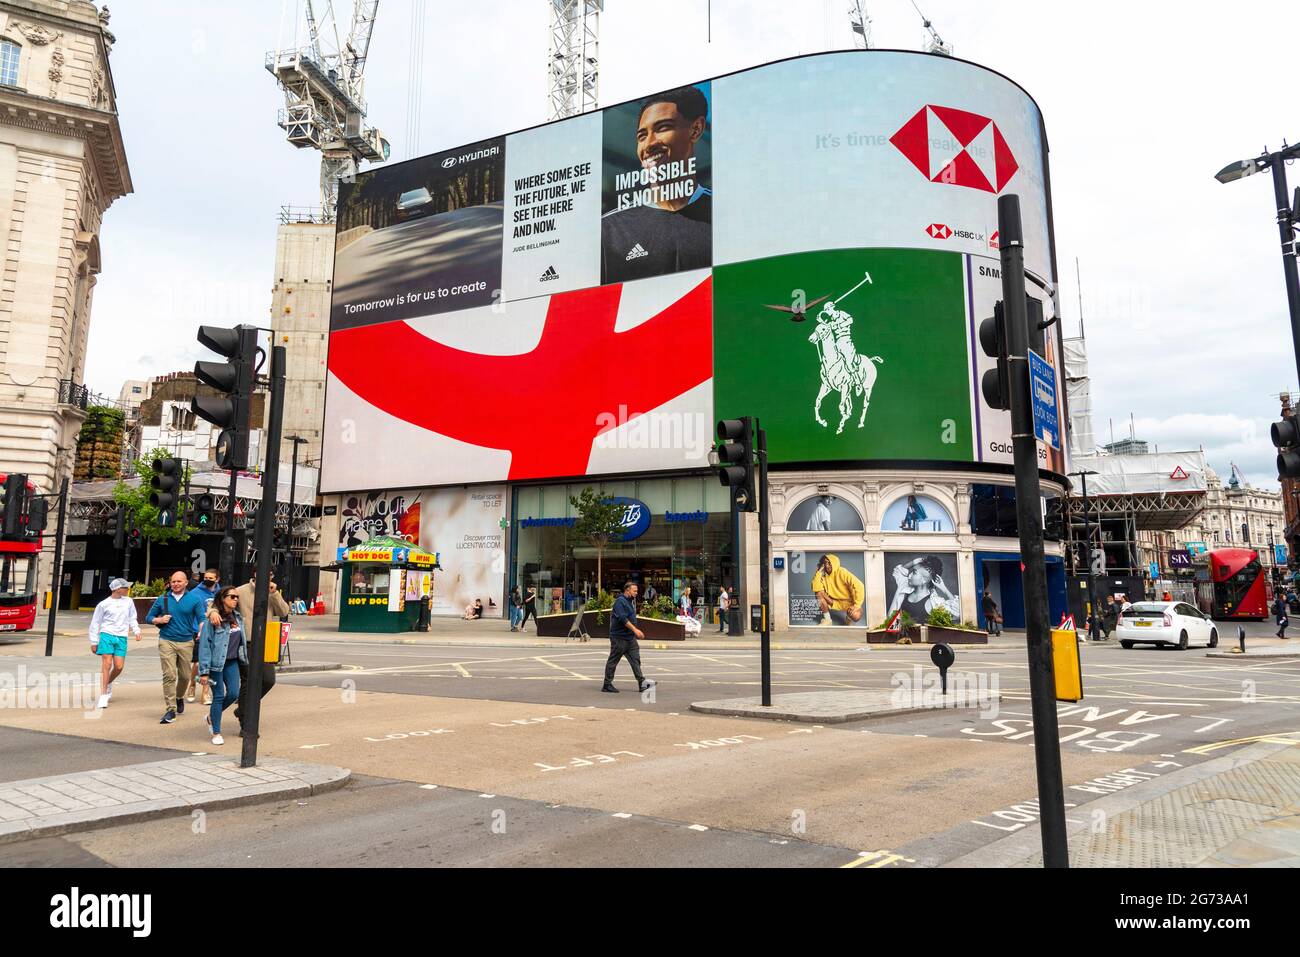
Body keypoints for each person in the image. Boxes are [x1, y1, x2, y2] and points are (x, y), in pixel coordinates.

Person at [600, 86, 712, 284]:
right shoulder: (608, 229)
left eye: (663, 128)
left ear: (696, 130)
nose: (649, 144)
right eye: (642, 136)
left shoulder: (727, 215)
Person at [209, 572, 291, 737]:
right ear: (255, 573)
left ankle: (242, 709)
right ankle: (246, 724)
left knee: (268, 680)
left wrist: (274, 593)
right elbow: (215, 603)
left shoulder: (271, 591)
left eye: (271, 574)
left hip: (265, 643)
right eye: (264, 573)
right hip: (246, 643)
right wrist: (212, 613)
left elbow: (283, 612)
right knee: (248, 682)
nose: (268, 577)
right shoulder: (241, 591)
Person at [145, 569, 209, 724]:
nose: (175, 584)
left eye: (179, 581)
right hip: (167, 640)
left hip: (187, 641)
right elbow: (148, 617)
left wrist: (202, 631)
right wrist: (159, 620)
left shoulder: (194, 599)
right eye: (173, 581)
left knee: (186, 676)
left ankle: (179, 697)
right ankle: (170, 709)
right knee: (169, 675)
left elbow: (201, 618)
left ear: (186, 583)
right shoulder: (163, 599)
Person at [197, 586, 245, 746]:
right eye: (232, 597)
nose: (235, 599)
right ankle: (216, 731)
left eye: (237, 597)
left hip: (232, 662)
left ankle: (211, 717)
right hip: (216, 664)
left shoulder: (237, 616)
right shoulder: (212, 620)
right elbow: (204, 645)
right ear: (223, 598)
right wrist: (204, 672)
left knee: (233, 694)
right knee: (218, 696)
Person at [88, 578, 141, 709]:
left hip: (122, 636)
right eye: (125, 587)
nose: (128, 589)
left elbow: (132, 617)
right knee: (107, 663)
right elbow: (95, 623)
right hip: (106, 635)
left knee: (118, 667)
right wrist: (94, 641)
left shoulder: (129, 602)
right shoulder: (103, 604)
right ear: (117, 589)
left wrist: (136, 630)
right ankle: (103, 695)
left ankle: (108, 682)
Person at [603, 581, 654, 694]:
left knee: (635, 660)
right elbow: (623, 619)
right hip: (619, 637)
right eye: (634, 591)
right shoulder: (620, 602)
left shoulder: (630, 601)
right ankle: (607, 684)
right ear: (627, 590)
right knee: (613, 660)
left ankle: (642, 683)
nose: (636, 593)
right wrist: (635, 630)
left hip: (629, 638)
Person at [888, 556, 959, 620]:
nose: (909, 575)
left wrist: (944, 589)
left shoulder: (933, 602)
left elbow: (957, 612)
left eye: (914, 573)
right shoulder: (905, 589)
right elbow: (899, 572)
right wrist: (912, 563)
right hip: (899, 634)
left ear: (923, 580)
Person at [188, 569, 220, 705]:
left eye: (211, 578)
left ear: (217, 579)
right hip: (197, 630)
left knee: (210, 663)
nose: (207, 579)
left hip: (216, 630)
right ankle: (192, 685)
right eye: (205, 577)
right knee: (197, 663)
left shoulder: (221, 593)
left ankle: (206, 692)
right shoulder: (195, 593)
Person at [812, 554, 865, 625]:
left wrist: (857, 605)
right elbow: (816, 588)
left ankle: (849, 618)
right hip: (835, 602)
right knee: (818, 593)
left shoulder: (842, 572)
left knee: (855, 615)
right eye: (825, 563)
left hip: (850, 602)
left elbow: (860, 585)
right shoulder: (822, 575)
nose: (827, 565)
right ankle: (827, 620)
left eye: (829, 563)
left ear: (834, 563)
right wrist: (818, 573)